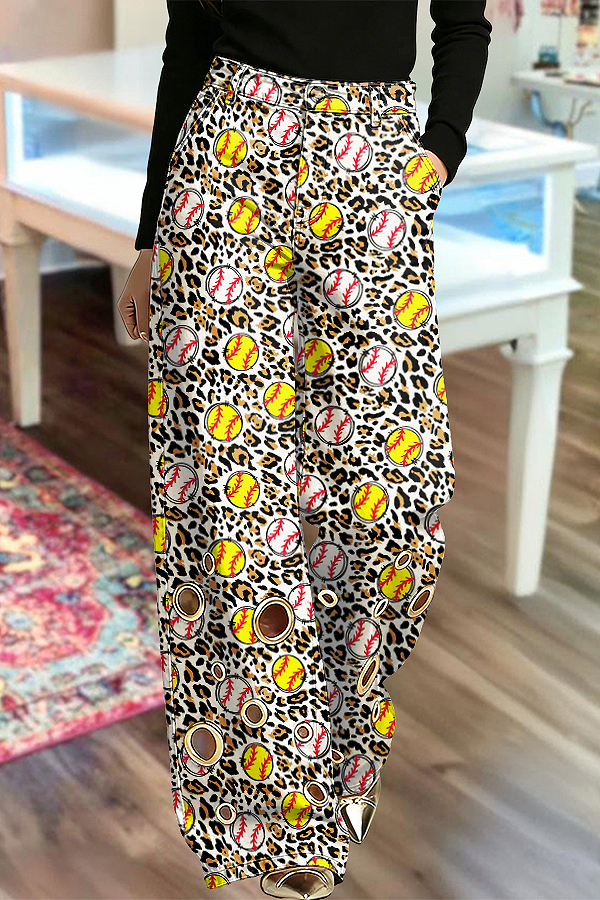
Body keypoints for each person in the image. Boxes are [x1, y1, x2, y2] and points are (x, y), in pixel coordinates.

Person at [117, 2, 492, 897]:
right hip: (225, 166)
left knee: (398, 502)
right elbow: (187, 42)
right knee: (237, 509)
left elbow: (464, 20)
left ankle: (341, 758)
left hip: (373, 164)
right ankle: (285, 814)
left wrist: (440, 147)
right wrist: (149, 238)